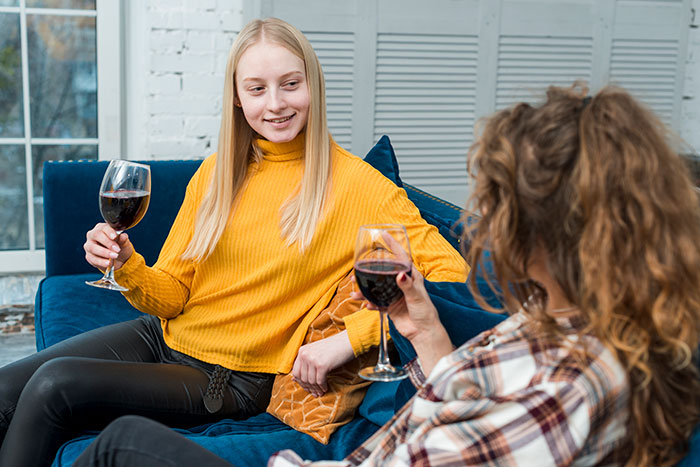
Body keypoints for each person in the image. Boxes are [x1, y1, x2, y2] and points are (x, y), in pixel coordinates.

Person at [72, 83, 700, 467]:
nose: (485, 230)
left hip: (312, 435)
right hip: (203, 351)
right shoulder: (554, 320)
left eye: (500, 208)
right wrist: (425, 333)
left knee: (119, 443)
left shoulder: (576, 383)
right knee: (56, 394)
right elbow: (465, 402)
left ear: (558, 233)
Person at [0, 18, 467, 467]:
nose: (276, 104)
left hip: (230, 377)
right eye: (257, 88)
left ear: (313, 86)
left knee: (53, 386)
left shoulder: (360, 186)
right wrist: (128, 265)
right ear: (238, 98)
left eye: (290, 84)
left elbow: (453, 275)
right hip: (161, 336)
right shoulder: (217, 172)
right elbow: (173, 294)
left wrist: (350, 339)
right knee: (5, 389)